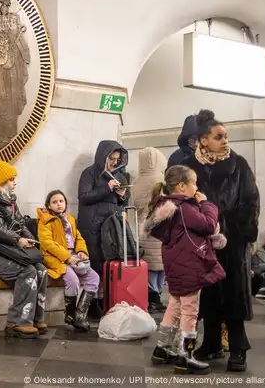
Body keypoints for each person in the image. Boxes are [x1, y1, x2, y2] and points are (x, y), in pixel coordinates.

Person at [182, 109, 260, 372]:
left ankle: (238, 348)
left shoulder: (239, 163)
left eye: (226, 136)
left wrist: (236, 229)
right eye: (219, 137)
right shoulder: (189, 168)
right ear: (204, 140)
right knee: (208, 293)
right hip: (201, 241)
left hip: (232, 241)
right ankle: (212, 342)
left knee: (234, 293)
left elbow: (251, 199)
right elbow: (182, 200)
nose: (225, 141)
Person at [143, 165, 226, 375]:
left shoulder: (167, 207)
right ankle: (185, 356)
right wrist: (206, 203)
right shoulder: (184, 208)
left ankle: (162, 349)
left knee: (175, 305)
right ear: (181, 186)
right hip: (191, 266)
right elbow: (208, 225)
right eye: (193, 183)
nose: (196, 187)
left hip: (176, 266)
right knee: (190, 310)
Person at [0, 160, 48, 339]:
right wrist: (17, 239)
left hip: (8, 251)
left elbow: (20, 223)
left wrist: (31, 240)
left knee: (42, 271)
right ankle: (17, 322)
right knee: (27, 271)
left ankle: (35, 318)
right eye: (12, 180)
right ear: (1, 182)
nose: (15, 183)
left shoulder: (9, 201)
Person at [77, 140, 129, 317]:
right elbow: (84, 197)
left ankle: (102, 301)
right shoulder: (89, 173)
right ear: (103, 157)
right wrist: (107, 189)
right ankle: (91, 305)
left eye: (117, 159)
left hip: (109, 227)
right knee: (95, 265)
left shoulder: (118, 175)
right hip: (92, 227)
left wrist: (121, 197)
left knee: (107, 265)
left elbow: (118, 203)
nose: (115, 162)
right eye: (111, 158)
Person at [37, 190, 99, 332]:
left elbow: (78, 238)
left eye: (61, 201)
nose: (59, 204)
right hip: (56, 258)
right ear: (49, 205)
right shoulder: (45, 220)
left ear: (65, 203)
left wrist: (82, 251)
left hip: (73, 257)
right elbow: (47, 243)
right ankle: (70, 313)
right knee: (73, 280)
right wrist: (67, 257)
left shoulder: (70, 219)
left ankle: (80, 314)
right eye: (54, 202)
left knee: (94, 278)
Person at [132, 147, 168, 312]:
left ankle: (151, 295)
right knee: (160, 264)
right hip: (160, 226)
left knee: (150, 264)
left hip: (142, 227)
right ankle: (155, 296)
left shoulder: (137, 181)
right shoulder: (161, 179)